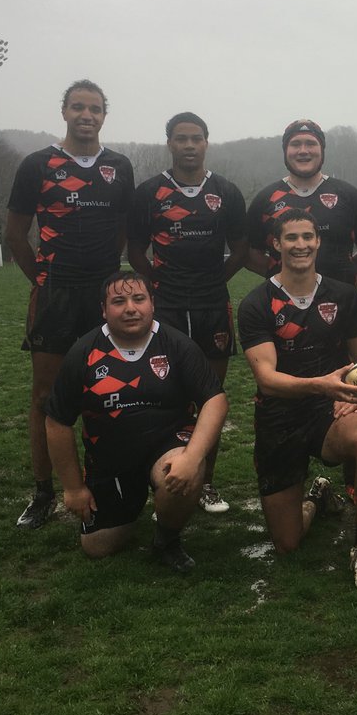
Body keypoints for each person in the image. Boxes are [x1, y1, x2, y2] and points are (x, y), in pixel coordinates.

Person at [6, 79, 134, 529]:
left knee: (109, 389)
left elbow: (122, 231)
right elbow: (15, 236)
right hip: (55, 295)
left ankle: (102, 482)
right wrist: (43, 280)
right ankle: (43, 492)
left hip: (104, 296)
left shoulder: (119, 166)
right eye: (78, 107)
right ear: (64, 112)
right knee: (46, 396)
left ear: (104, 115)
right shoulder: (37, 164)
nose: (86, 115)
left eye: (95, 108)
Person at [237, 209, 357, 591]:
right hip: (279, 415)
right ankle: (318, 498)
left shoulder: (344, 295)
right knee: (287, 543)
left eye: (307, 237)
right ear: (276, 244)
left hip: (330, 409)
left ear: (318, 242)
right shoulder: (257, 303)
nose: (300, 245)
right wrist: (321, 384)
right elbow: (267, 380)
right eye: (291, 238)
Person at [45, 272, 228, 573]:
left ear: (152, 304)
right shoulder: (83, 353)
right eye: (119, 301)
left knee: (184, 472)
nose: (130, 308)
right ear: (103, 310)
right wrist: (73, 488)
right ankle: (129, 505)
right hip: (110, 457)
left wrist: (193, 457)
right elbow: (56, 422)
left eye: (138, 299)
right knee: (98, 547)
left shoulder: (176, 344)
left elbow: (216, 400)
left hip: (167, 444)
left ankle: (166, 539)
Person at [127, 112, 248, 515]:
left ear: (207, 143)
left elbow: (242, 250)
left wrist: (213, 279)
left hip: (213, 305)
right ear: (170, 144)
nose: (190, 145)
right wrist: (158, 284)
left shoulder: (226, 192)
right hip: (169, 307)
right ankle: (163, 474)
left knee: (211, 394)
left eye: (197, 138)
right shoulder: (149, 193)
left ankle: (206, 482)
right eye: (181, 138)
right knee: (165, 395)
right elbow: (135, 252)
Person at [245, 118, 357, 285]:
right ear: (285, 151)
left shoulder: (348, 195)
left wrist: (346, 275)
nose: (303, 150)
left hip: (341, 304)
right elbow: (249, 254)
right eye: (295, 144)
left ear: (321, 150)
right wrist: (278, 275)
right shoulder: (265, 199)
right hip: (283, 305)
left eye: (310, 143)